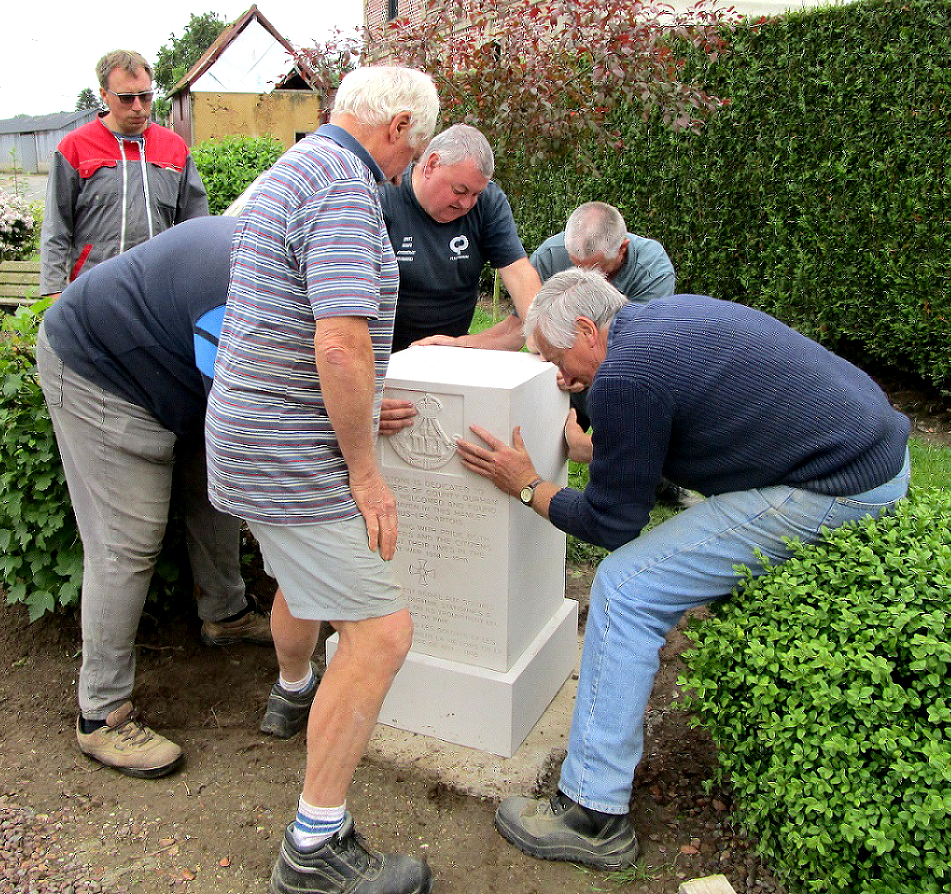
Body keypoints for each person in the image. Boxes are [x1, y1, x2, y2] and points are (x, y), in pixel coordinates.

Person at [455, 268, 910, 870]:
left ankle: (595, 816)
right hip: (872, 448)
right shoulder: (650, 324)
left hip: (840, 486)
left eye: (556, 357)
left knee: (625, 588)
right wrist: (611, 446)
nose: (558, 376)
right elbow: (684, 410)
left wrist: (527, 486)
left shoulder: (624, 377)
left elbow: (613, 524)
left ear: (588, 329)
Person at [205, 65, 440, 894]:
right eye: (417, 144)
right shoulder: (345, 186)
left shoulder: (293, 167)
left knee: (306, 591)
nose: (411, 162)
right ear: (400, 123)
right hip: (287, 450)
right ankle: (313, 848)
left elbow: (282, 315)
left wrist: (351, 409)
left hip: (251, 433)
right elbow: (338, 343)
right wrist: (367, 475)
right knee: (381, 633)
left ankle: (292, 698)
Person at [35, 216, 271, 780]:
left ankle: (226, 614)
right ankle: (102, 714)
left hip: (172, 371)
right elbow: (245, 426)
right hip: (101, 370)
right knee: (127, 541)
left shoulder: (277, 263)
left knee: (214, 493)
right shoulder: (232, 284)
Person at [40, 50, 208, 298]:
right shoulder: (74, 147)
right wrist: (54, 291)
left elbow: (196, 227)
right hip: (92, 291)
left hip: (155, 292)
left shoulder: (174, 148)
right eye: (127, 98)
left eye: (146, 96)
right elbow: (56, 228)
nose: (138, 107)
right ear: (104, 95)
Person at [380, 123, 542, 353]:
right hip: (384, 355)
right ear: (432, 165)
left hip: (452, 355)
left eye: (475, 194)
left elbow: (519, 272)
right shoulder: (384, 199)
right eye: (459, 190)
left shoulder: (489, 203)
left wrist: (540, 332)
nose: (466, 204)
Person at [531, 201, 675, 303]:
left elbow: (642, 337)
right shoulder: (548, 256)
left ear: (622, 249)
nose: (584, 277)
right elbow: (527, 324)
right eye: (576, 266)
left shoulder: (653, 270)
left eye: (597, 270)